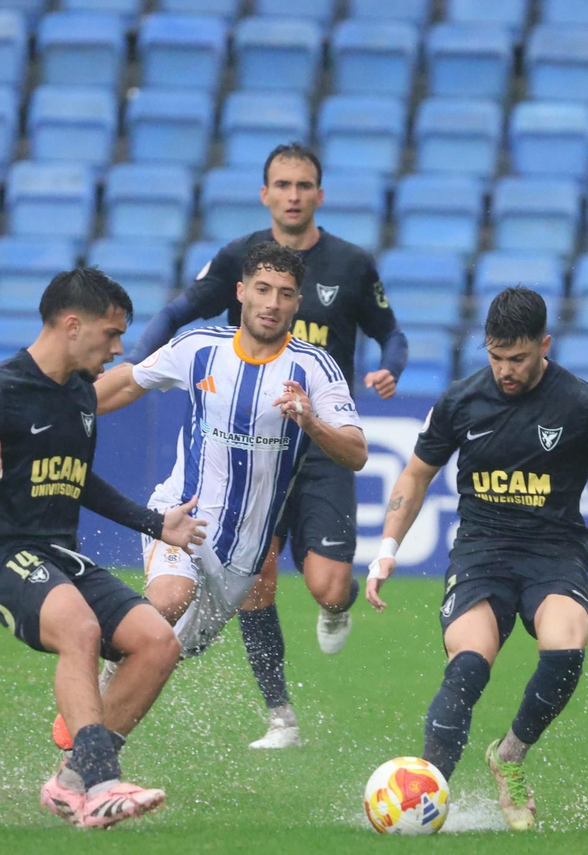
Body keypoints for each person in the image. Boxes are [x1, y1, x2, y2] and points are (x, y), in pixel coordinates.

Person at [128, 142, 406, 747]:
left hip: (317, 443)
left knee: (328, 585)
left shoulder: (351, 264)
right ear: (266, 194)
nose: (293, 195)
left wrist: (392, 367)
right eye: (282, 184)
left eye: (304, 185)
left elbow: (390, 331)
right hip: (251, 454)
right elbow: (178, 310)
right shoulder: (239, 260)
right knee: (253, 582)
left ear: (319, 195)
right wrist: (134, 361)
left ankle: (337, 607)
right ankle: (280, 716)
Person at [365, 287, 588, 832]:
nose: (505, 370)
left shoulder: (581, 402)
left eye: (518, 359)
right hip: (482, 552)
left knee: (566, 644)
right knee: (469, 663)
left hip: (554, 553)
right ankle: (427, 791)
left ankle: (509, 756)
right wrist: (387, 549)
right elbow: (415, 474)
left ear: (544, 345)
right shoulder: (462, 399)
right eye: (496, 357)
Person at [49, 241, 368, 753]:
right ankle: (95, 698)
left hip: (240, 560)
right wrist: (52, 415)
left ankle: (90, 751)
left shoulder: (316, 368)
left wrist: (310, 421)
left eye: (285, 294)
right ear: (241, 292)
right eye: (262, 289)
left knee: (167, 654)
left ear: (297, 302)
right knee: (169, 599)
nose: (272, 303)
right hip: (181, 514)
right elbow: (128, 383)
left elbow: (355, 452)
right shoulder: (200, 346)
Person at [0, 268, 205, 830]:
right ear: (73, 326)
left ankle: (70, 781)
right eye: (112, 333)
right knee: (81, 629)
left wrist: (154, 524)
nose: (119, 348)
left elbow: (80, 480)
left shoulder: (78, 395)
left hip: (58, 557)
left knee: (156, 643)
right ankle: (100, 783)